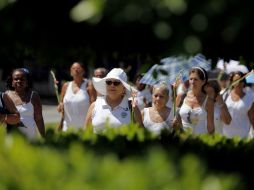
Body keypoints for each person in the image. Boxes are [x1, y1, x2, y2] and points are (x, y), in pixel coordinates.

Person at [84, 68, 143, 133]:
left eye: (116, 83)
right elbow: (86, 131)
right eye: (109, 82)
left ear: (124, 87)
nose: (112, 85)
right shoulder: (94, 105)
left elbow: (142, 132)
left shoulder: (132, 106)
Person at [6, 68, 45, 139]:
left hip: (30, 138)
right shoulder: (6, 96)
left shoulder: (33, 96)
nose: (19, 81)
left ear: (27, 83)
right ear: (12, 82)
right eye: (16, 79)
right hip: (12, 138)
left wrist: (44, 137)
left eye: (22, 79)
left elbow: (39, 119)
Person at [174, 67, 215, 134]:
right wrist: (175, 123)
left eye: (196, 79)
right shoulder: (181, 97)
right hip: (183, 140)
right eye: (191, 79)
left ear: (203, 81)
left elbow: (211, 127)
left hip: (200, 141)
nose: (192, 82)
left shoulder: (208, 101)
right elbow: (173, 118)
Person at [57, 62, 96, 131]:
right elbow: (61, 104)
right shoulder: (66, 86)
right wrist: (60, 106)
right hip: (67, 128)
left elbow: (94, 107)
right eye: (73, 68)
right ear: (70, 72)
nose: (76, 70)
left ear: (83, 71)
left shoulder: (89, 86)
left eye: (78, 68)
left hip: (84, 128)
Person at [222, 71, 254, 138]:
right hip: (225, 136)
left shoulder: (249, 98)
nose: (238, 83)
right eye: (236, 81)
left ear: (244, 83)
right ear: (232, 82)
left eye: (241, 81)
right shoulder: (225, 95)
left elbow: (252, 118)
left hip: (243, 137)